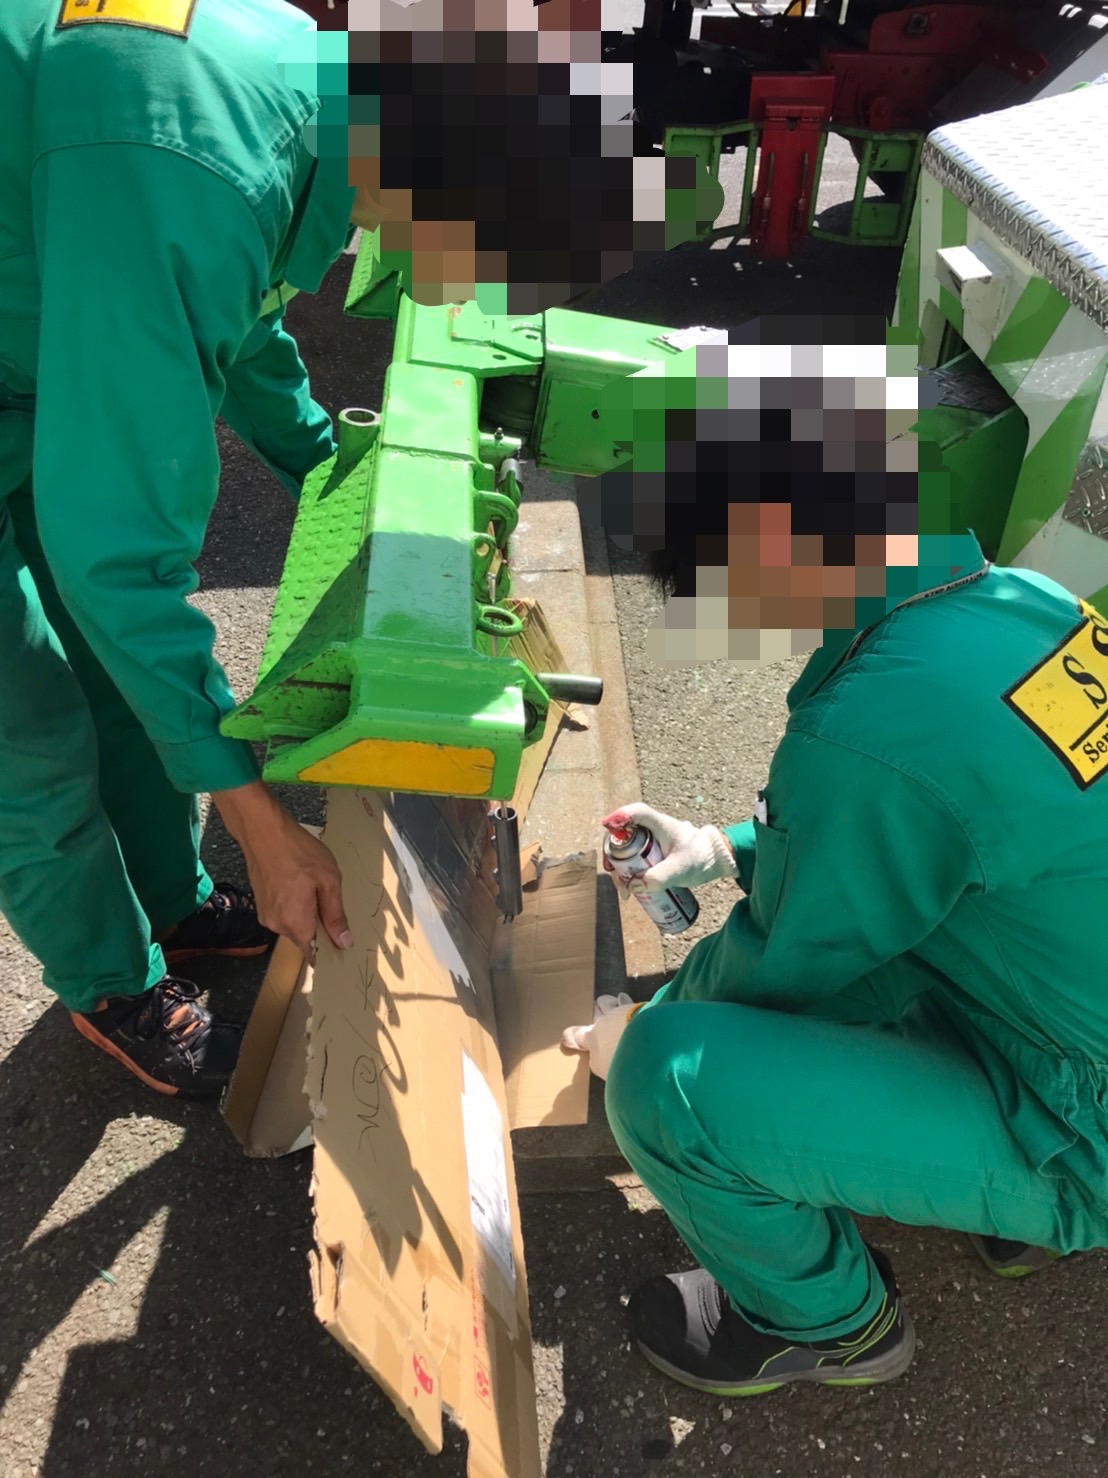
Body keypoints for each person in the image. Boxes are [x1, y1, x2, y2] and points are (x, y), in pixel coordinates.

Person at [563, 347, 1108, 1398]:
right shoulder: (1018, 605)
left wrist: (636, 1027)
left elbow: (780, 966)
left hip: (1092, 1119)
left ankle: (828, 1325)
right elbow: (952, 830)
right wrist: (725, 846)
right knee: (905, 955)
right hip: (1069, 1011)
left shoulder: (866, 735)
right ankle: (1017, 1212)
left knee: (671, 1081)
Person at [0, 0, 410, 1099]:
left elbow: (233, 310)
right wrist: (262, 825)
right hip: (32, 349)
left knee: (113, 675)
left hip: (30, 345)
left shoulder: (289, 80)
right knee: (26, 723)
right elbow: (120, 556)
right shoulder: (195, 161)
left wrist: (335, 472)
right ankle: (110, 984)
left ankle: (172, 902)